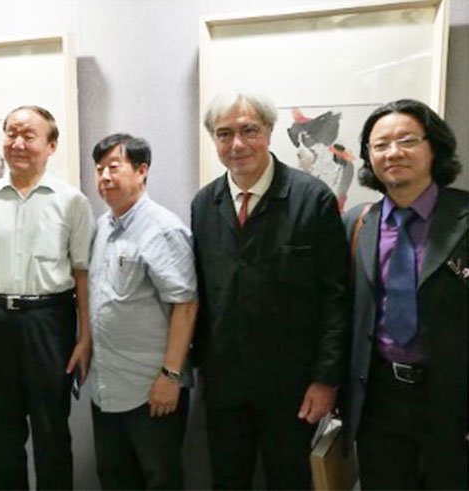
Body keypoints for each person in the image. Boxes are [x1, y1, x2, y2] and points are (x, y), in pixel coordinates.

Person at [191, 92, 349, 489]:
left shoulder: (312, 199)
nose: (237, 144)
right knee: (227, 481)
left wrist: (326, 379)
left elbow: (336, 297)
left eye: (249, 130)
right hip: (225, 384)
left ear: (269, 131)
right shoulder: (204, 204)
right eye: (224, 134)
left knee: (289, 481)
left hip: (293, 386)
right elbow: (202, 293)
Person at [0, 105, 94, 490]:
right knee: (3, 431)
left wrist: (85, 338)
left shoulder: (72, 202)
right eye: (11, 133)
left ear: (51, 145)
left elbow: (83, 274)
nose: (17, 143)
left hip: (49, 322)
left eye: (28, 135)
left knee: (52, 431)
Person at [342, 99, 468, 490]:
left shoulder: (464, 218)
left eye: (407, 140)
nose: (393, 153)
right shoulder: (358, 222)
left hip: (452, 398)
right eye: (380, 145)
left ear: (434, 148)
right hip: (379, 399)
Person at [88, 133, 198, 489]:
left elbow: (185, 305)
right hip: (108, 386)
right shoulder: (103, 225)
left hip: (151, 389)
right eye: (99, 169)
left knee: (159, 480)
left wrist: (171, 376)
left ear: (141, 171)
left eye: (114, 167)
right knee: (115, 478)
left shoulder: (162, 229)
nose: (105, 177)